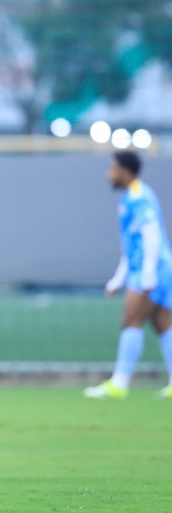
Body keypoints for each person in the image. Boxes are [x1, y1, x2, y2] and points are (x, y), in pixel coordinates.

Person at [84, 150, 172, 399]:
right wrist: (118, 279)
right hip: (155, 270)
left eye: (112, 168)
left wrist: (148, 275)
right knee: (162, 324)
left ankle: (119, 384)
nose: (108, 174)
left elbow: (152, 234)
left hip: (152, 271)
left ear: (124, 170)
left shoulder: (139, 196)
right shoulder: (128, 199)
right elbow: (130, 247)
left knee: (130, 321)